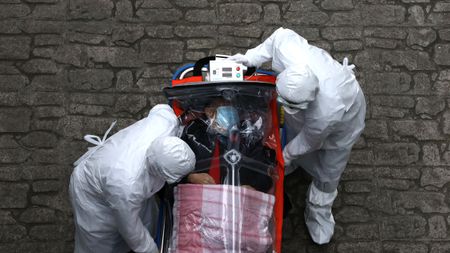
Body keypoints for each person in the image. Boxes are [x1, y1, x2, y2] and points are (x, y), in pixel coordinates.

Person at [229, 27, 366, 244]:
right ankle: (293, 166)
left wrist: (285, 155)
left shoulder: (327, 112)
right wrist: (250, 57)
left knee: (330, 169)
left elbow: (309, 141)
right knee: (293, 129)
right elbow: (276, 38)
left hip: (344, 122)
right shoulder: (288, 49)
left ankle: (318, 210)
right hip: (314, 114)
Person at [69, 104, 196, 253]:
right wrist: (151, 250)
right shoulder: (126, 185)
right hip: (91, 193)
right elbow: (131, 230)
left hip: (116, 172)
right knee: (100, 243)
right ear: (160, 172)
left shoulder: (165, 123)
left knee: (147, 219)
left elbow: (161, 108)